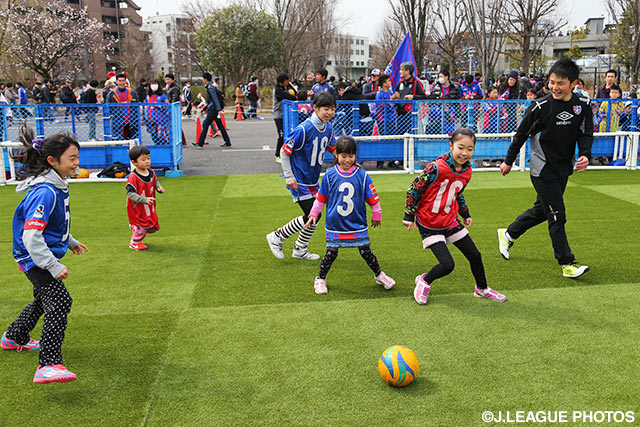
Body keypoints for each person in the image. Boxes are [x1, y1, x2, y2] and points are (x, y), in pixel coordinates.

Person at [3, 124, 88, 383]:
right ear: (52, 161)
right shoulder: (45, 191)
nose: (76, 163)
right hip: (34, 258)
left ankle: (14, 336)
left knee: (44, 299)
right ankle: (48, 364)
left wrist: (69, 240)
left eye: (76, 157)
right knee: (61, 302)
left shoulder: (57, 184)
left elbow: (54, 224)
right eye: (72, 158)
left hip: (40, 255)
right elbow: (31, 236)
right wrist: (51, 265)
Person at [498, 57, 593, 278]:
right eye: (552, 82)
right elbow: (520, 135)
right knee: (557, 215)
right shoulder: (539, 106)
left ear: (573, 83)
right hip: (542, 170)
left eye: (560, 83)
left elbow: (586, 133)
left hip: (563, 168)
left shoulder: (583, 106)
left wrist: (586, 155)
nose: (554, 87)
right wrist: (508, 161)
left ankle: (508, 234)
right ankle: (567, 263)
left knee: (544, 210)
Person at [404, 128, 507, 305]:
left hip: (450, 220)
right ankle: (424, 281)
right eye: (461, 147)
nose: (465, 153)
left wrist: (465, 213)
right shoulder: (436, 167)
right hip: (429, 223)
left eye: (470, 149)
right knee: (447, 265)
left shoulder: (467, 171)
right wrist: (409, 215)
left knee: (475, 255)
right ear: (451, 145)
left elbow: (458, 193)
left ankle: (481, 288)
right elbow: (415, 188)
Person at [304, 136, 395, 294]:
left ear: (355, 156)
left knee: (366, 251)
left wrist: (377, 214)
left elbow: (373, 198)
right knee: (331, 253)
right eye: (344, 156)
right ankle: (320, 279)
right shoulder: (329, 175)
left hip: (356, 223)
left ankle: (379, 275)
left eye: (351, 156)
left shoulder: (362, 175)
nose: (347, 160)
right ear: (336, 155)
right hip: (335, 224)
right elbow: (320, 199)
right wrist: (313, 214)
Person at [266, 92, 337, 261]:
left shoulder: (328, 127)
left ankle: (300, 249)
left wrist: (346, 159)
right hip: (299, 181)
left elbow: (333, 148)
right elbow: (284, 151)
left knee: (315, 214)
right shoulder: (304, 129)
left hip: (313, 180)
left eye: (332, 109)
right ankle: (277, 236)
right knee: (314, 213)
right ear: (315, 108)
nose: (330, 112)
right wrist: (289, 177)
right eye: (326, 109)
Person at [126, 145, 165, 250]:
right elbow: (130, 193)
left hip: (148, 206)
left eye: (148, 158)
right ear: (134, 162)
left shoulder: (151, 172)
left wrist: (158, 187)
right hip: (137, 208)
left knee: (149, 223)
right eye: (143, 159)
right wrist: (143, 200)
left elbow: (155, 180)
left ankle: (136, 232)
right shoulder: (133, 177)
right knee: (142, 226)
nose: (147, 161)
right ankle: (134, 242)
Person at [193, 72, 231, 148]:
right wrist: (204, 108)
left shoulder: (210, 88)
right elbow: (211, 101)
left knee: (205, 124)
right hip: (214, 109)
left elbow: (215, 99)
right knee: (220, 126)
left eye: (203, 79)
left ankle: (200, 143)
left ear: (205, 79)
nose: (203, 80)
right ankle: (227, 142)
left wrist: (218, 109)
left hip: (213, 110)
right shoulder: (210, 86)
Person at [273, 73, 298, 162]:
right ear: (281, 82)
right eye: (286, 81)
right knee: (281, 135)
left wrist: (290, 85)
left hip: (286, 115)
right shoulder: (277, 90)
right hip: (278, 115)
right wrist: (296, 97)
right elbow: (287, 96)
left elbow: (294, 93)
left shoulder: (285, 87)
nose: (288, 82)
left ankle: (287, 153)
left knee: (289, 134)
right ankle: (278, 155)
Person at [106, 73, 139, 140]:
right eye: (120, 81)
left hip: (131, 121)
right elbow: (108, 107)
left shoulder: (132, 92)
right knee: (117, 141)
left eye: (123, 81)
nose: (121, 83)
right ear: (117, 81)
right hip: (117, 121)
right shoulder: (111, 94)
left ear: (125, 81)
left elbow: (137, 106)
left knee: (133, 142)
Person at [145, 79, 169, 144]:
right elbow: (146, 106)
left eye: (155, 84)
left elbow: (167, 105)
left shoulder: (162, 95)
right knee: (154, 136)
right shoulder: (148, 96)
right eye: (152, 84)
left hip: (161, 120)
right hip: (151, 120)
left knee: (161, 136)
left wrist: (160, 106)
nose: (154, 86)